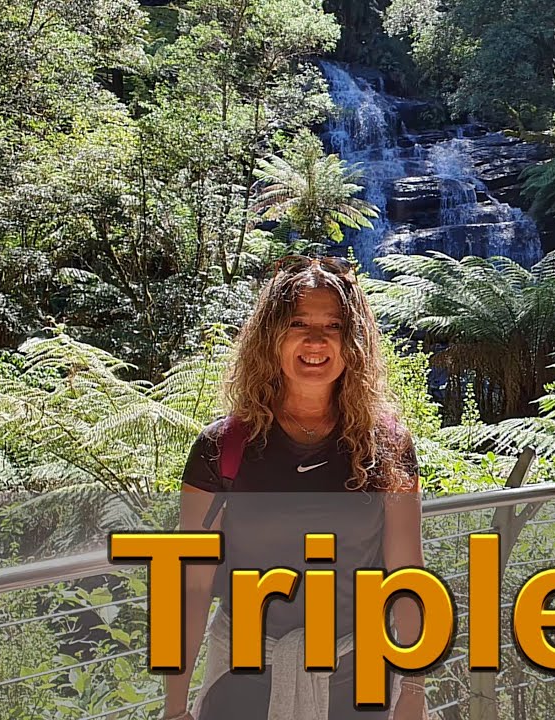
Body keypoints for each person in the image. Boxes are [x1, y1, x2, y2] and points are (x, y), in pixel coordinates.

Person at [162, 255, 427, 720]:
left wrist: (413, 689)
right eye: (298, 323)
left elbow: (407, 571)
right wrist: (174, 707)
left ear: (354, 342)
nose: (315, 340)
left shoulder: (387, 444)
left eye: (333, 325)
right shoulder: (222, 449)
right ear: (271, 337)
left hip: (360, 678)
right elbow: (193, 585)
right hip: (243, 682)